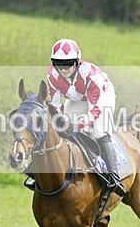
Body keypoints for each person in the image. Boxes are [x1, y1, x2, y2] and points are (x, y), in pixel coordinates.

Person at [46, 38, 126, 196]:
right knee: (60, 130)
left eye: (68, 63)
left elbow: (95, 109)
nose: (63, 68)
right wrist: (61, 120)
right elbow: (55, 105)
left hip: (102, 96)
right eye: (58, 63)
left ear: (76, 61)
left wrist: (79, 123)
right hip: (77, 98)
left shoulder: (91, 75)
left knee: (99, 131)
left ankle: (114, 175)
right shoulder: (52, 75)